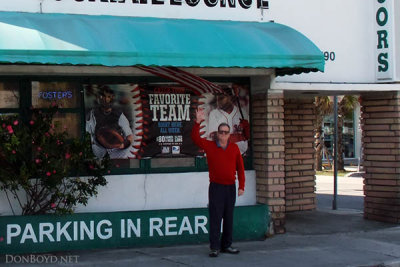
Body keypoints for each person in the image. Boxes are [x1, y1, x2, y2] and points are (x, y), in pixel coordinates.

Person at [191, 108, 245, 258]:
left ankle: (227, 245)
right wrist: (198, 122)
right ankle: (214, 247)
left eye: (226, 132)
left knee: (228, 218)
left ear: (229, 134)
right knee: (215, 217)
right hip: (216, 188)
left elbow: (240, 169)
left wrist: (241, 186)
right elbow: (195, 138)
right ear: (217, 133)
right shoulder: (210, 146)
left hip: (230, 188)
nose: (223, 134)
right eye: (221, 131)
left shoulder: (234, 148)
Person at [86, 85, 133, 159]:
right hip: (99, 148)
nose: (105, 99)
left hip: (116, 150)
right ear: (99, 98)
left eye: (108, 97)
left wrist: (122, 145)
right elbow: (88, 133)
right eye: (103, 96)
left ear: (112, 98)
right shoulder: (93, 113)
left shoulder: (118, 114)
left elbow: (129, 136)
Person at [207, 86, 250, 155]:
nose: (218, 101)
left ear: (230, 98)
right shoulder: (214, 113)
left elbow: (249, 136)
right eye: (217, 98)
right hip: (223, 154)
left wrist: (247, 128)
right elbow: (216, 137)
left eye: (221, 98)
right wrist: (240, 136)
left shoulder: (241, 112)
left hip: (241, 154)